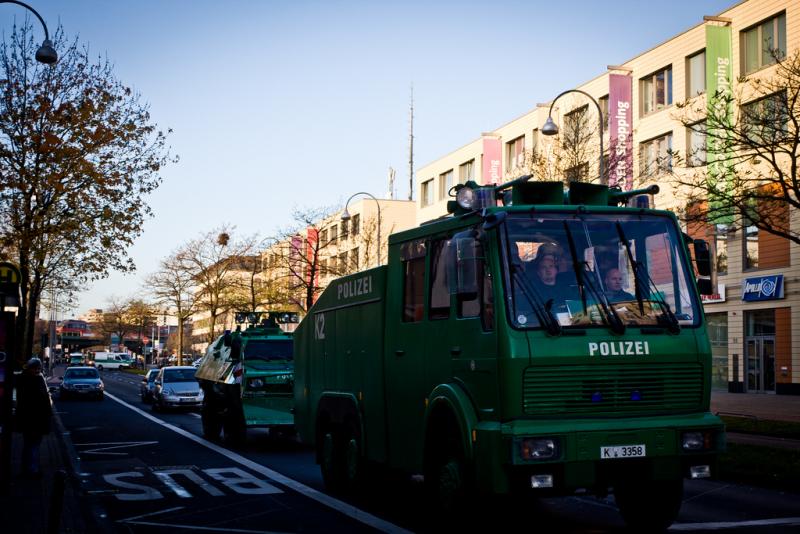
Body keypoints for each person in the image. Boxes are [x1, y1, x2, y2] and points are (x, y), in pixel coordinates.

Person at [15, 357, 52, 478]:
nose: (38, 370)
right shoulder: (38, 380)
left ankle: (25, 468)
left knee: (27, 444)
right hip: (37, 418)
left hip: (26, 417)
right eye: (38, 368)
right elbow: (44, 400)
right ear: (35, 368)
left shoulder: (21, 378)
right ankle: (33, 469)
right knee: (34, 444)